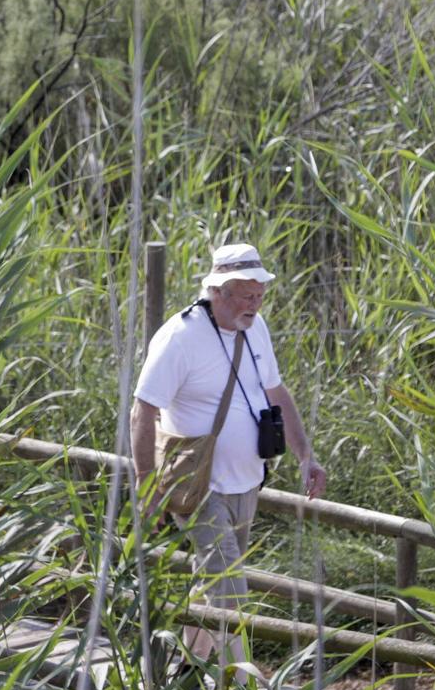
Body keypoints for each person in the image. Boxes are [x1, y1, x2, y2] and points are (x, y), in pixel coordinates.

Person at [132, 241, 326, 668]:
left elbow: (277, 392)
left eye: (260, 295)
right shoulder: (180, 337)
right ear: (217, 290)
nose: (255, 304)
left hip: (248, 479)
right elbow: (142, 408)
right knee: (229, 588)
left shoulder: (255, 328)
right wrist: (146, 482)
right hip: (198, 484)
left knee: (212, 581)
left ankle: (183, 668)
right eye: (246, 295)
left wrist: (305, 456)